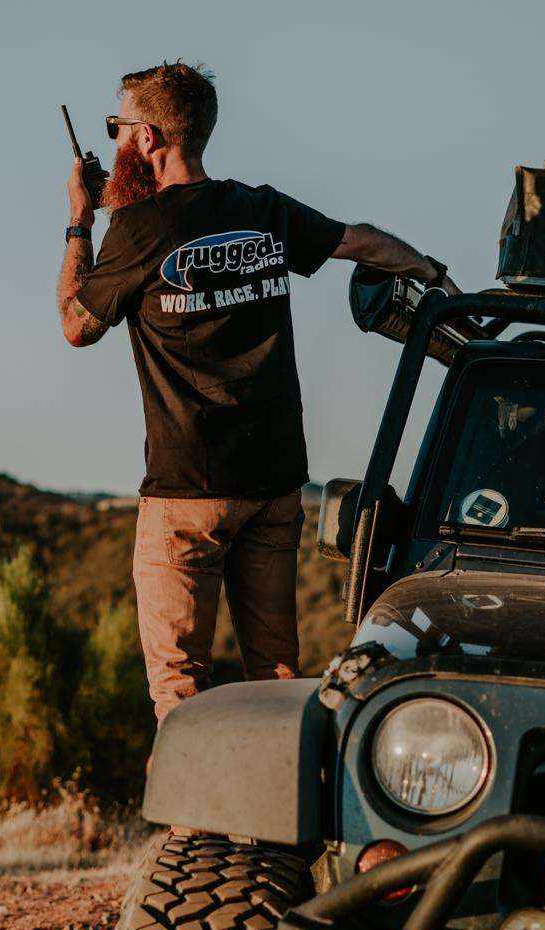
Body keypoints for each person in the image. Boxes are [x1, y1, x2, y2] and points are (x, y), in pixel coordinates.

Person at [56, 61, 461, 724]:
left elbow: (77, 324)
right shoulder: (260, 211)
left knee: (180, 687)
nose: (117, 141)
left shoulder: (136, 233)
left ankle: (194, 828)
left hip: (188, 492)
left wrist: (79, 220)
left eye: (119, 128)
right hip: (274, 488)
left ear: (148, 140)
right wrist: (433, 273)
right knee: (275, 676)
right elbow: (360, 241)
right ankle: (277, 822)